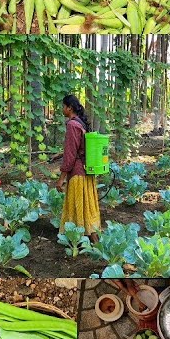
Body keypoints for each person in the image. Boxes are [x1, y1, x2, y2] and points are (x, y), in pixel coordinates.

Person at [57, 94, 101, 246]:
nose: (62, 109)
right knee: (87, 207)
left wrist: (61, 179)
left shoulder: (72, 125)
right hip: (87, 172)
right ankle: (93, 239)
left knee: (78, 206)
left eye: (63, 106)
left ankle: (80, 239)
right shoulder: (81, 124)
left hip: (77, 174)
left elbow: (70, 156)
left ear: (69, 108)